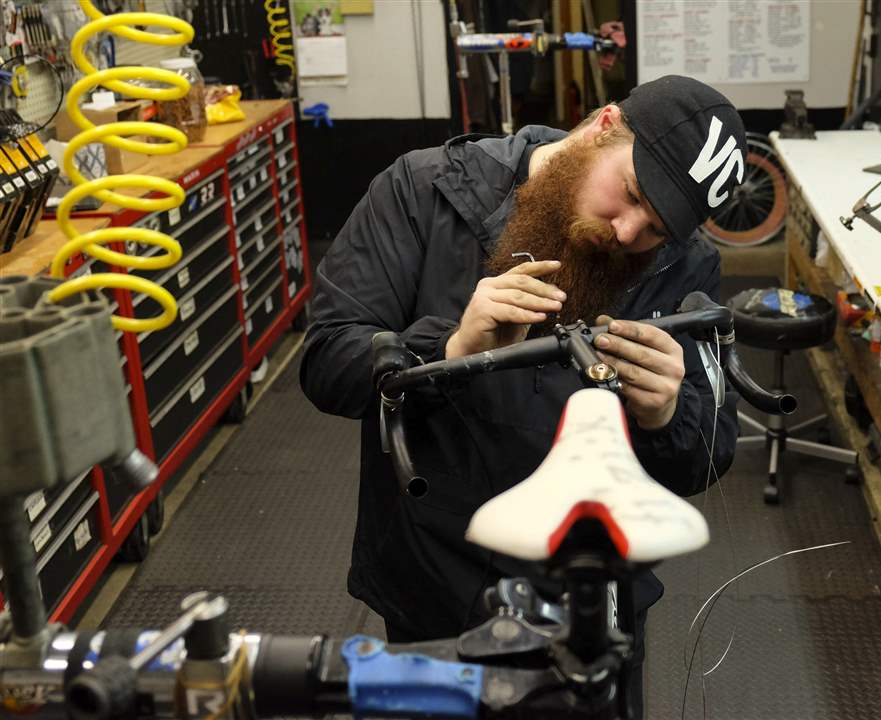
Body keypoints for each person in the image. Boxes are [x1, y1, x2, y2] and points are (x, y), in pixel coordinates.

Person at [300, 75, 746, 716]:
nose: (628, 233)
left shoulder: (684, 263)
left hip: (592, 601)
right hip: (434, 586)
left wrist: (666, 413)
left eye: (656, 228)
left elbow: (710, 452)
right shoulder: (424, 191)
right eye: (630, 194)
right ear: (602, 126)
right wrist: (452, 348)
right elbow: (327, 362)